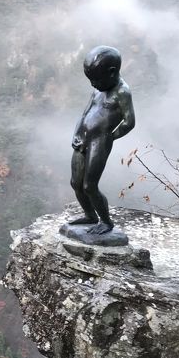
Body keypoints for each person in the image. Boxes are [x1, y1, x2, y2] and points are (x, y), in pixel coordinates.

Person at [69, 45, 135, 235]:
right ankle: (90, 215)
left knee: (90, 185)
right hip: (82, 139)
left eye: (96, 80)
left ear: (112, 73)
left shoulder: (122, 92)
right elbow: (85, 113)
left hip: (100, 142)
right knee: (75, 182)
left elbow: (129, 122)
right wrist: (77, 133)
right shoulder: (98, 90)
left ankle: (106, 222)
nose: (93, 84)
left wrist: (109, 137)